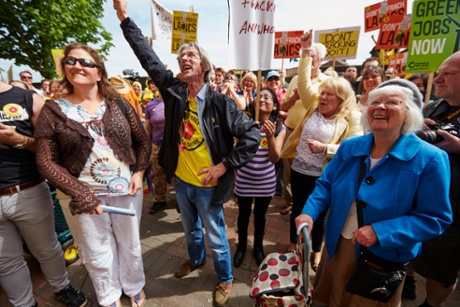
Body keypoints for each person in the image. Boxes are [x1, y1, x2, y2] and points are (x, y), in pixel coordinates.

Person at [113, 1, 261, 306]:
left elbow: (253, 134)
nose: (184, 59)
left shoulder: (220, 102)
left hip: (208, 186)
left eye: (190, 55)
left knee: (217, 238)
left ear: (203, 66)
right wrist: (125, 19)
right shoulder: (174, 92)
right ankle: (195, 260)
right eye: (181, 57)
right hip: (181, 181)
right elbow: (149, 59)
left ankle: (226, 278)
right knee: (190, 230)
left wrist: (223, 167)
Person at [295, 78, 452, 306]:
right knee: (336, 297)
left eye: (392, 102)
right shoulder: (351, 147)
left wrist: (381, 231)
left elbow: (435, 218)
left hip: (382, 255)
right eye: (375, 102)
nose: (380, 107)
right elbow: (326, 184)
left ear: (408, 114)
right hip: (338, 243)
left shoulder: (430, 158)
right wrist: (309, 212)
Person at [34, 42, 151, 307]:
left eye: (86, 62)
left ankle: (133, 286)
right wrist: (80, 194)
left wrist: (139, 172)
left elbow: (143, 142)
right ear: (64, 69)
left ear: (99, 73)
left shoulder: (119, 103)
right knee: (98, 253)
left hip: (127, 194)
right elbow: (46, 161)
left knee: (130, 246)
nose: (77, 65)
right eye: (71, 61)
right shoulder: (53, 111)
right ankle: (109, 296)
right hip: (86, 200)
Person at [0, 80, 87, 307]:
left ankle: (62, 287)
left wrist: (19, 140)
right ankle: (24, 303)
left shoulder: (27, 98)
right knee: (5, 261)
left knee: (46, 249)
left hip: (25, 190)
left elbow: (54, 146)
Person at [406, 51, 460, 307]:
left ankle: (430, 305)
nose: (437, 78)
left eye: (447, 73)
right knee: (409, 247)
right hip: (414, 200)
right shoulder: (432, 106)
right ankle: (406, 280)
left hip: (451, 212)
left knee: (441, 267)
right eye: (438, 72)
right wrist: (412, 128)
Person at [233, 87, 286, 267]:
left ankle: (257, 247)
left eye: (267, 97)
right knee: (243, 215)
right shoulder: (244, 122)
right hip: (244, 180)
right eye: (259, 97)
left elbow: (275, 158)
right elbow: (235, 151)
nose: (262, 99)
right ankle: (241, 246)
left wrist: (270, 137)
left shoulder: (279, 127)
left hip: (265, 183)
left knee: (260, 217)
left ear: (274, 106)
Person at [279, 40, 329, 217]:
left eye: (311, 56)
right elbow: (283, 106)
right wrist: (294, 99)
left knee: (310, 173)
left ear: (321, 60)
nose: (307, 60)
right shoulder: (295, 80)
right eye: (305, 56)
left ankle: (309, 205)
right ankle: (291, 203)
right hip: (291, 131)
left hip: (314, 137)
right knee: (288, 171)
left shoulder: (327, 82)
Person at [144, 83, 167, 214]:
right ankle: (159, 199)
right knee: (157, 173)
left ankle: (182, 201)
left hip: (174, 146)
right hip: (157, 144)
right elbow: (147, 128)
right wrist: (146, 146)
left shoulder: (174, 102)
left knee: (178, 175)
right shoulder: (150, 105)